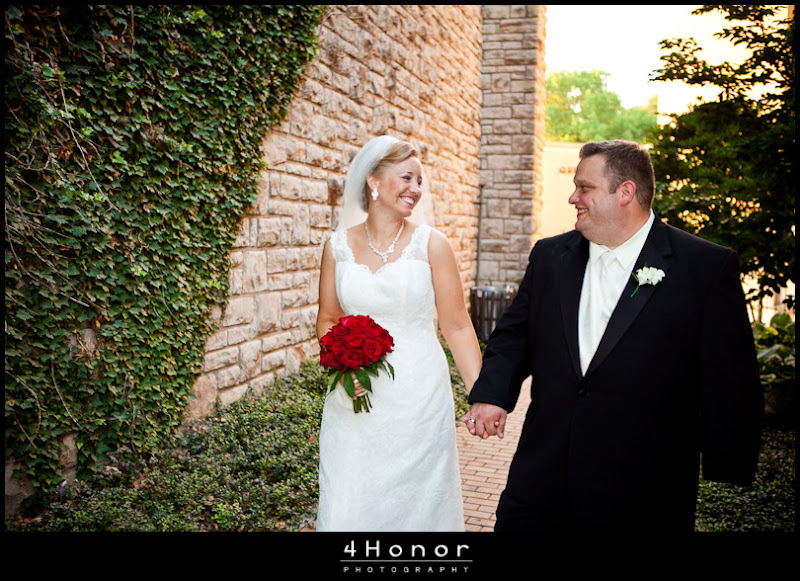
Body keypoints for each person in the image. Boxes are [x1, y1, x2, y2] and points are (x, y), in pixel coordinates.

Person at [464, 140, 763, 533]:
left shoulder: (704, 267)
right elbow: (515, 334)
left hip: (643, 489)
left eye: (584, 188)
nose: (573, 198)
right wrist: (492, 394)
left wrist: (729, 459)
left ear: (625, 192)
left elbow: (730, 374)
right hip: (541, 479)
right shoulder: (550, 256)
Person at [315, 135, 482, 531]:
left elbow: (457, 325)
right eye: (407, 178)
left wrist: (482, 394)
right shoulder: (336, 247)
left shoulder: (432, 245)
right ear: (373, 182)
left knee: (417, 508)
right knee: (349, 498)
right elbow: (328, 319)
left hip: (420, 399)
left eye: (419, 181)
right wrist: (344, 366)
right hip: (355, 397)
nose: (416, 189)